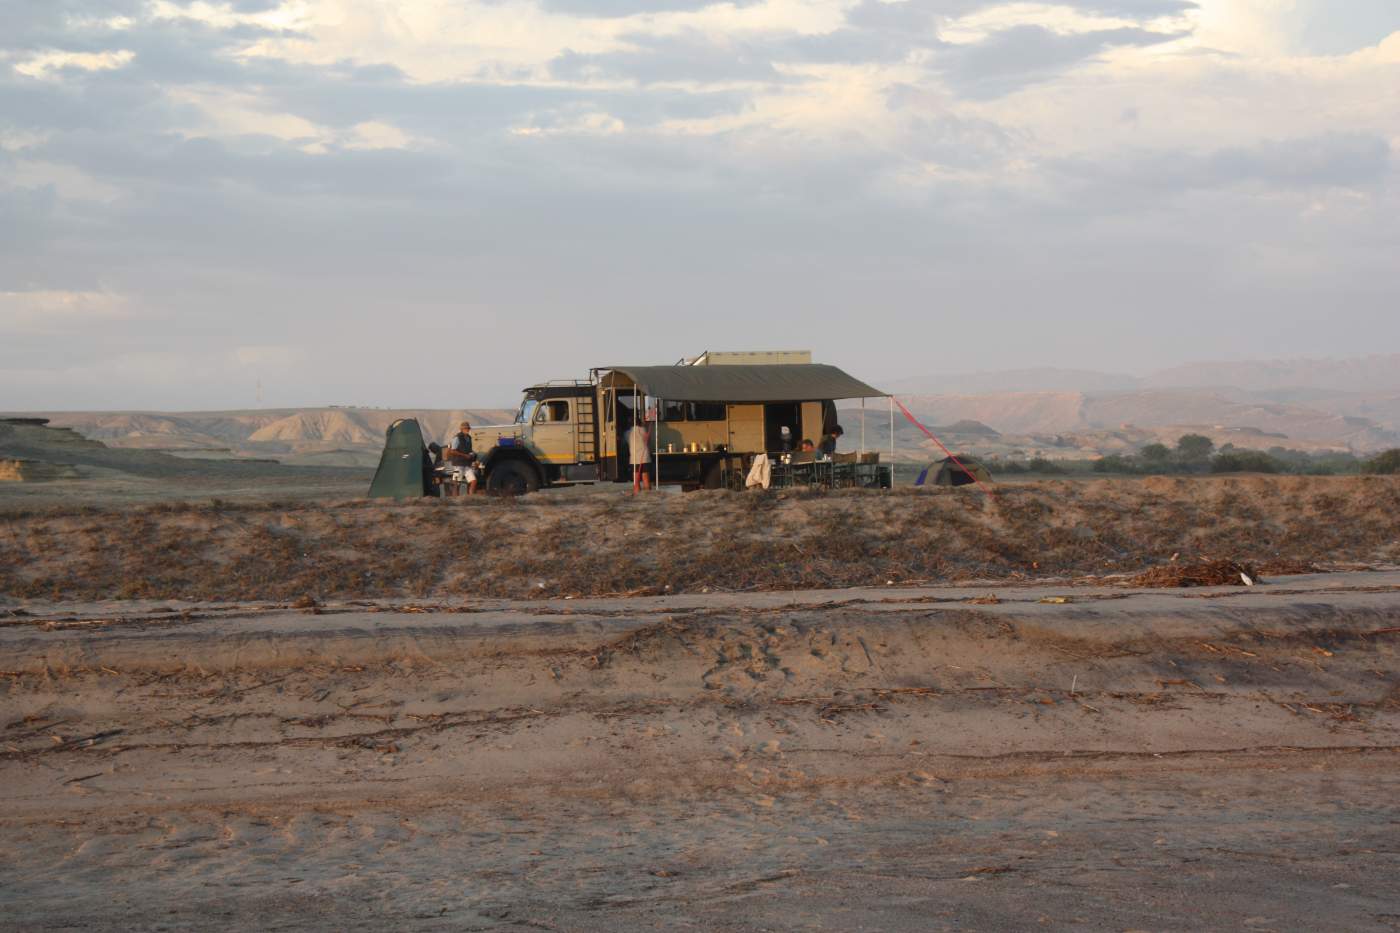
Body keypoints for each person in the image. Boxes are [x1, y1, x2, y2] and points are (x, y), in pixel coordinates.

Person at [446, 421, 479, 496]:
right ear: (461, 429)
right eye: (465, 428)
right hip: (458, 464)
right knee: (457, 483)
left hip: (467, 463)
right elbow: (452, 451)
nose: (467, 429)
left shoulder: (469, 438)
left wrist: (472, 455)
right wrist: (465, 455)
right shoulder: (457, 438)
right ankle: (456, 500)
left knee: (474, 481)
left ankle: (471, 497)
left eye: (468, 428)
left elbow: (469, 450)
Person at [628, 417, 651, 493]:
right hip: (644, 457)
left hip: (634, 459)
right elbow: (648, 441)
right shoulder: (643, 430)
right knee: (645, 479)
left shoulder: (628, 432)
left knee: (636, 481)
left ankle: (637, 496)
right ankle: (648, 496)